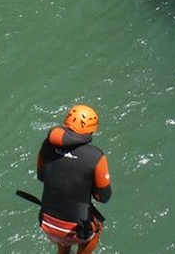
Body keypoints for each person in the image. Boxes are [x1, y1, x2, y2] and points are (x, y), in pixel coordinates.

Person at [37, 104, 112, 254]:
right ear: (91, 129)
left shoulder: (47, 145)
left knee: (63, 236)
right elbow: (103, 197)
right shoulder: (96, 156)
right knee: (97, 228)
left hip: (46, 222)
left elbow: (41, 176)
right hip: (77, 229)